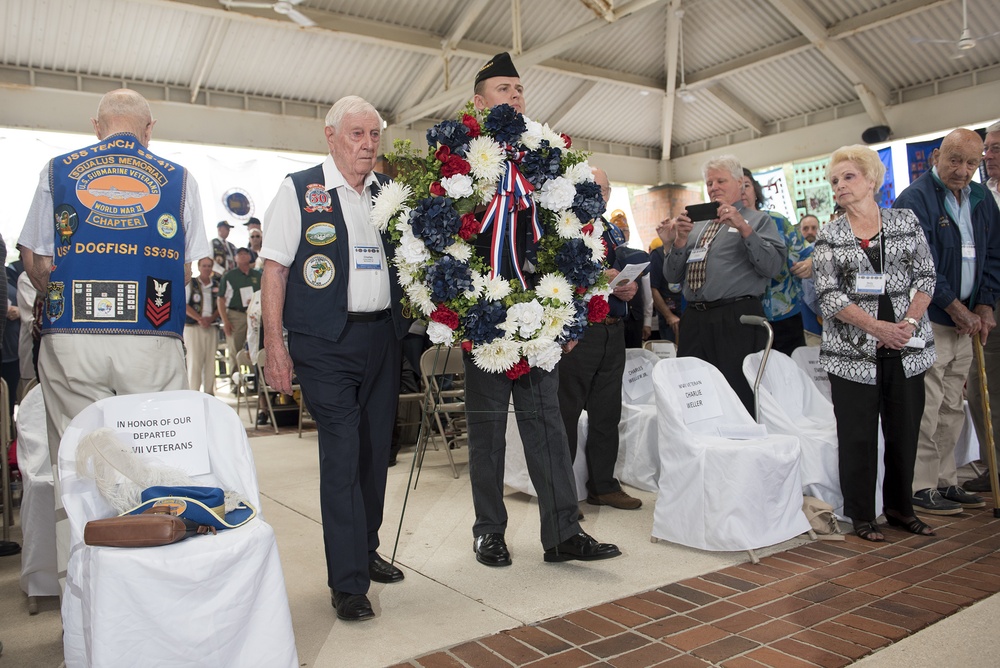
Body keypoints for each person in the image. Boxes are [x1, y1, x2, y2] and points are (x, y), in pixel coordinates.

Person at [465, 52, 621, 570]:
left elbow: (576, 235)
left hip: (540, 318)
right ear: (479, 101)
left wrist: (570, 315)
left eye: (519, 88)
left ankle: (563, 533)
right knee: (487, 432)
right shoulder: (460, 160)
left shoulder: (546, 155)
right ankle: (489, 532)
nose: (515, 95)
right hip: (483, 319)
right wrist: (458, 312)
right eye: (504, 88)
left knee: (549, 429)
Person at [259, 95, 409, 622]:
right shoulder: (300, 191)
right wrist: (274, 345)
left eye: (374, 135)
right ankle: (347, 583)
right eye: (356, 135)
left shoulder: (389, 194)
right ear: (330, 136)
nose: (368, 145)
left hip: (381, 340)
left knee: (375, 453)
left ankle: (364, 550)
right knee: (343, 454)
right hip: (323, 342)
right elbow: (274, 269)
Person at [18, 88, 210, 467]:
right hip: (150, 334)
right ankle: (155, 523)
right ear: (149, 128)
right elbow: (186, 268)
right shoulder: (180, 179)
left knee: (80, 459)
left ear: (96, 127)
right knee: (159, 456)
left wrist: (64, 287)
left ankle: (84, 526)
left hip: (73, 334)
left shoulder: (56, 170)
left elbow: (34, 259)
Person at [813, 144, 936, 541]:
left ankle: (901, 508)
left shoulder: (905, 220)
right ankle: (863, 515)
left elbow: (926, 277)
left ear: (871, 180)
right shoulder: (830, 234)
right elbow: (828, 295)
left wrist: (909, 323)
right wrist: (877, 328)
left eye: (848, 177)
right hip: (852, 354)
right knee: (857, 437)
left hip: (906, 349)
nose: (840, 186)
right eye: (834, 180)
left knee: (904, 431)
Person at [894, 128, 1000, 514]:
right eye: (955, 160)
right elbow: (920, 266)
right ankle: (921, 485)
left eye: (972, 162)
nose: (963, 170)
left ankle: (945, 479)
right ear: (936, 155)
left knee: (954, 403)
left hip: (969, 320)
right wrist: (956, 307)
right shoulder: (914, 198)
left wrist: (985, 305)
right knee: (929, 401)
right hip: (933, 319)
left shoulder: (981, 196)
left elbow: (993, 255)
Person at [657, 155, 786, 415]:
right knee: (693, 392)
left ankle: (743, 450)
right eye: (709, 182)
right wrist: (677, 242)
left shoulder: (759, 220)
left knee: (737, 395)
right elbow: (672, 276)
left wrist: (743, 227)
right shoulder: (696, 225)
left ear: (740, 183)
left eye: (720, 181)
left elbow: (773, 267)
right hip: (695, 319)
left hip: (735, 319)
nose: (713, 186)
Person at [558, 168, 644, 511]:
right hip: (581, 333)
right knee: (565, 416)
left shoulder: (610, 229)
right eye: (592, 187)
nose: (599, 194)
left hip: (613, 327)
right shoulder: (566, 224)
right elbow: (558, 273)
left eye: (604, 189)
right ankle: (562, 496)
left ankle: (603, 485)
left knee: (608, 414)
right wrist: (598, 277)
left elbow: (621, 275)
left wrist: (629, 286)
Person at [743, 169, 812, 356]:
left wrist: (809, 263)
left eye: (746, 185)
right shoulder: (724, 228)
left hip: (786, 315)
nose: (742, 191)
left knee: (791, 375)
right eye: (737, 186)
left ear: (756, 190)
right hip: (746, 320)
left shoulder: (778, 221)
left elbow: (805, 253)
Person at [967, 120, 1000, 493]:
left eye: (996, 149)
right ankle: (995, 466)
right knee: (982, 386)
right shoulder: (978, 195)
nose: (988, 156)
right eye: (986, 149)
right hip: (985, 302)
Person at [218, 247, 261, 387]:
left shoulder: (258, 275)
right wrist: (225, 321)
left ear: (250, 256)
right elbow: (220, 299)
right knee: (235, 349)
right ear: (235, 258)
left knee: (256, 347)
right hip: (236, 315)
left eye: (245, 253)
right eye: (239, 254)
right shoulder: (229, 276)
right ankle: (234, 383)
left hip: (255, 315)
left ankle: (256, 381)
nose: (243, 256)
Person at [185, 256, 220, 395]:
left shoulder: (216, 284)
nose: (206, 268)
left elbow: (222, 305)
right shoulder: (191, 283)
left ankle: (209, 393)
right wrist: (199, 319)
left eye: (209, 266)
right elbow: (184, 305)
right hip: (193, 327)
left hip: (211, 326)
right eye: (204, 265)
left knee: (211, 361)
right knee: (194, 361)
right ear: (199, 267)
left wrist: (211, 318)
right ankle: (193, 393)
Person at [647, 235, 683, 343]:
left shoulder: (690, 250)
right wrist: (669, 316)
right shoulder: (658, 254)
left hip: (690, 315)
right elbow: (653, 288)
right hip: (671, 317)